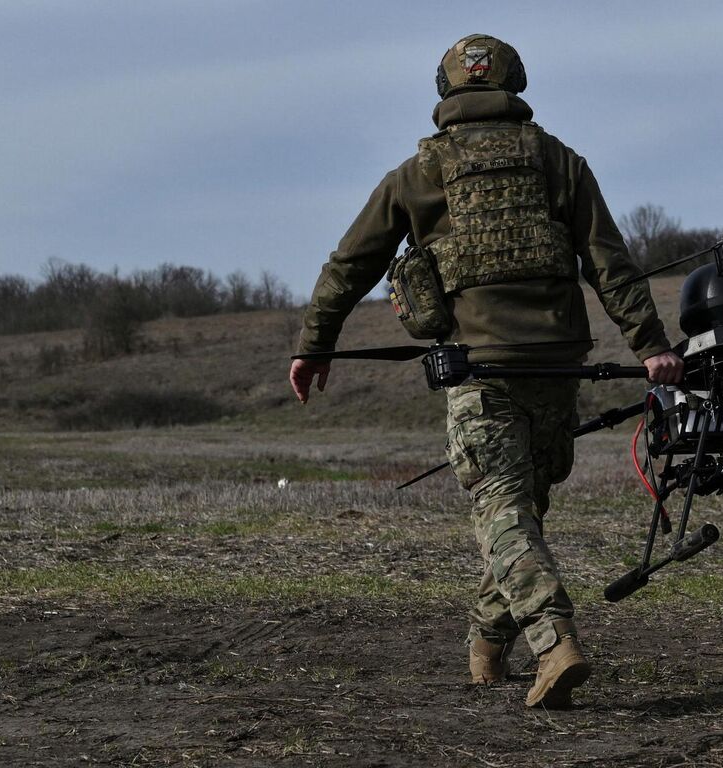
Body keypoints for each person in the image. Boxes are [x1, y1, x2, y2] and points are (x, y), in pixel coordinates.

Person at [286, 34, 683, 709]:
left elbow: (350, 263)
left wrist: (315, 342)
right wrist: (651, 345)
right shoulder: (559, 161)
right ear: (516, 83)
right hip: (559, 367)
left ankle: (554, 644)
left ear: (446, 94)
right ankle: (486, 641)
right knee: (518, 515)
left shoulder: (418, 174)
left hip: (479, 370)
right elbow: (607, 260)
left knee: (503, 516)